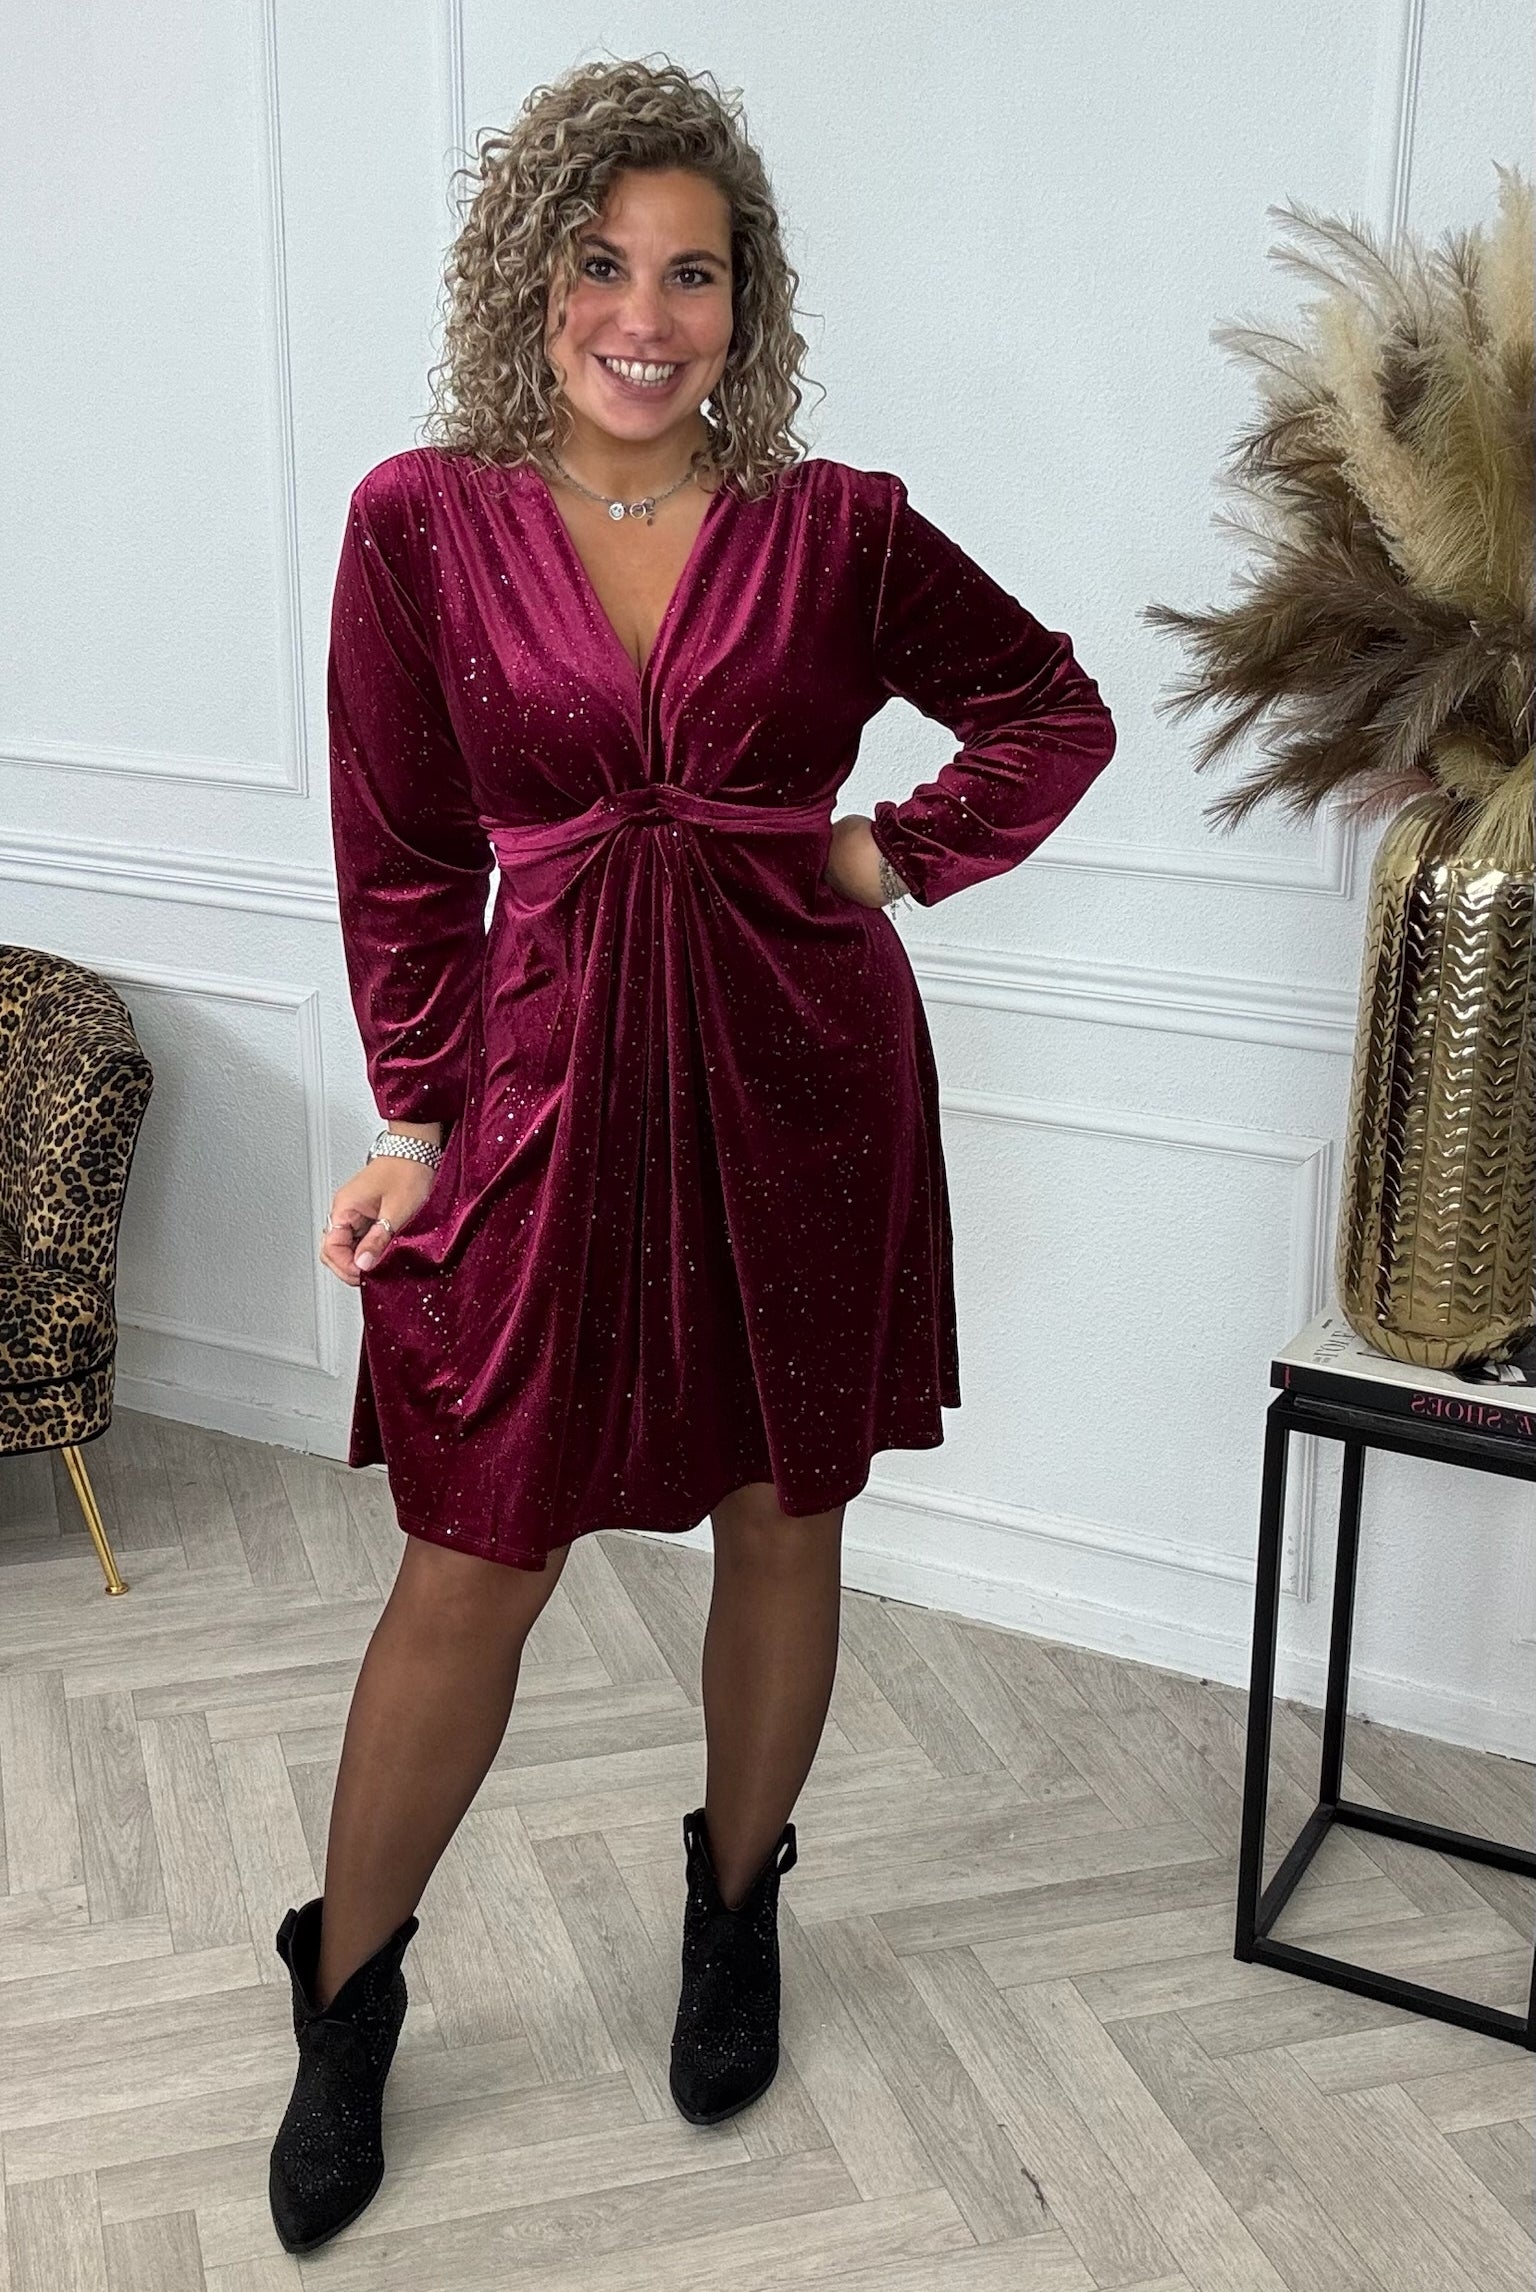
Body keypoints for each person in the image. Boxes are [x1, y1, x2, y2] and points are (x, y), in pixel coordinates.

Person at [267, 54, 1117, 2256]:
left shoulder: (838, 530)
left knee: (781, 1507)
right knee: (479, 1550)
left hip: (798, 1077)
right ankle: (345, 1990)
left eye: (695, 275)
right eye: (602, 264)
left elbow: (1054, 710)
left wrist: (885, 854)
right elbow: (401, 854)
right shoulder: (421, 523)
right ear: (530, 278)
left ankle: (737, 1912)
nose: (645, 317)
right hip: (544, 1089)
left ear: (750, 302)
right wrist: (417, 1115)